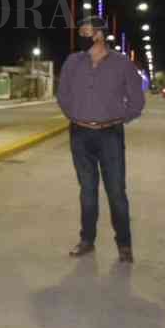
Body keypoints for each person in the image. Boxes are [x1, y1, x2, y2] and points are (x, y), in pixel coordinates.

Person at [57, 16, 145, 262]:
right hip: (80, 134)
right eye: (80, 32)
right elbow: (63, 94)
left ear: (99, 35)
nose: (81, 36)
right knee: (87, 191)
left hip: (110, 136)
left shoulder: (122, 63)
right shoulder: (73, 61)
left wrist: (118, 118)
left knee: (116, 192)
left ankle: (124, 245)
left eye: (86, 32)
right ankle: (87, 240)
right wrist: (75, 115)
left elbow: (137, 100)